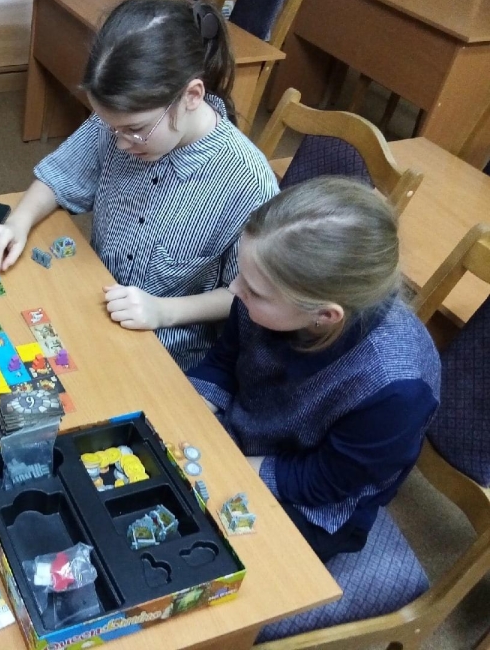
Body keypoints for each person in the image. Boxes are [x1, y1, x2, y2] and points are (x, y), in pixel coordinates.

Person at [0, 0, 277, 370]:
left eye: (134, 130)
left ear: (192, 96)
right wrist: (18, 223)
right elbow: (59, 177)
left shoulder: (247, 180)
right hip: (93, 305)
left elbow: (249, 297)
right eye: (111, 127)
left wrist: (162, 311)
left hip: (165, 350)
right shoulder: (121, 121)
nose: (120, 143)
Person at [187, 177, 441, 561]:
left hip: (313, 497)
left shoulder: (396, 388)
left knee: (204, 546)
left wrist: (225, 465)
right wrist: (192, 414)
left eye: (254, 291)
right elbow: (224, 361)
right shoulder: (268, 287)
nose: (235, 289)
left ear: (324, 315)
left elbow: (326, 481)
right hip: (244, 435)